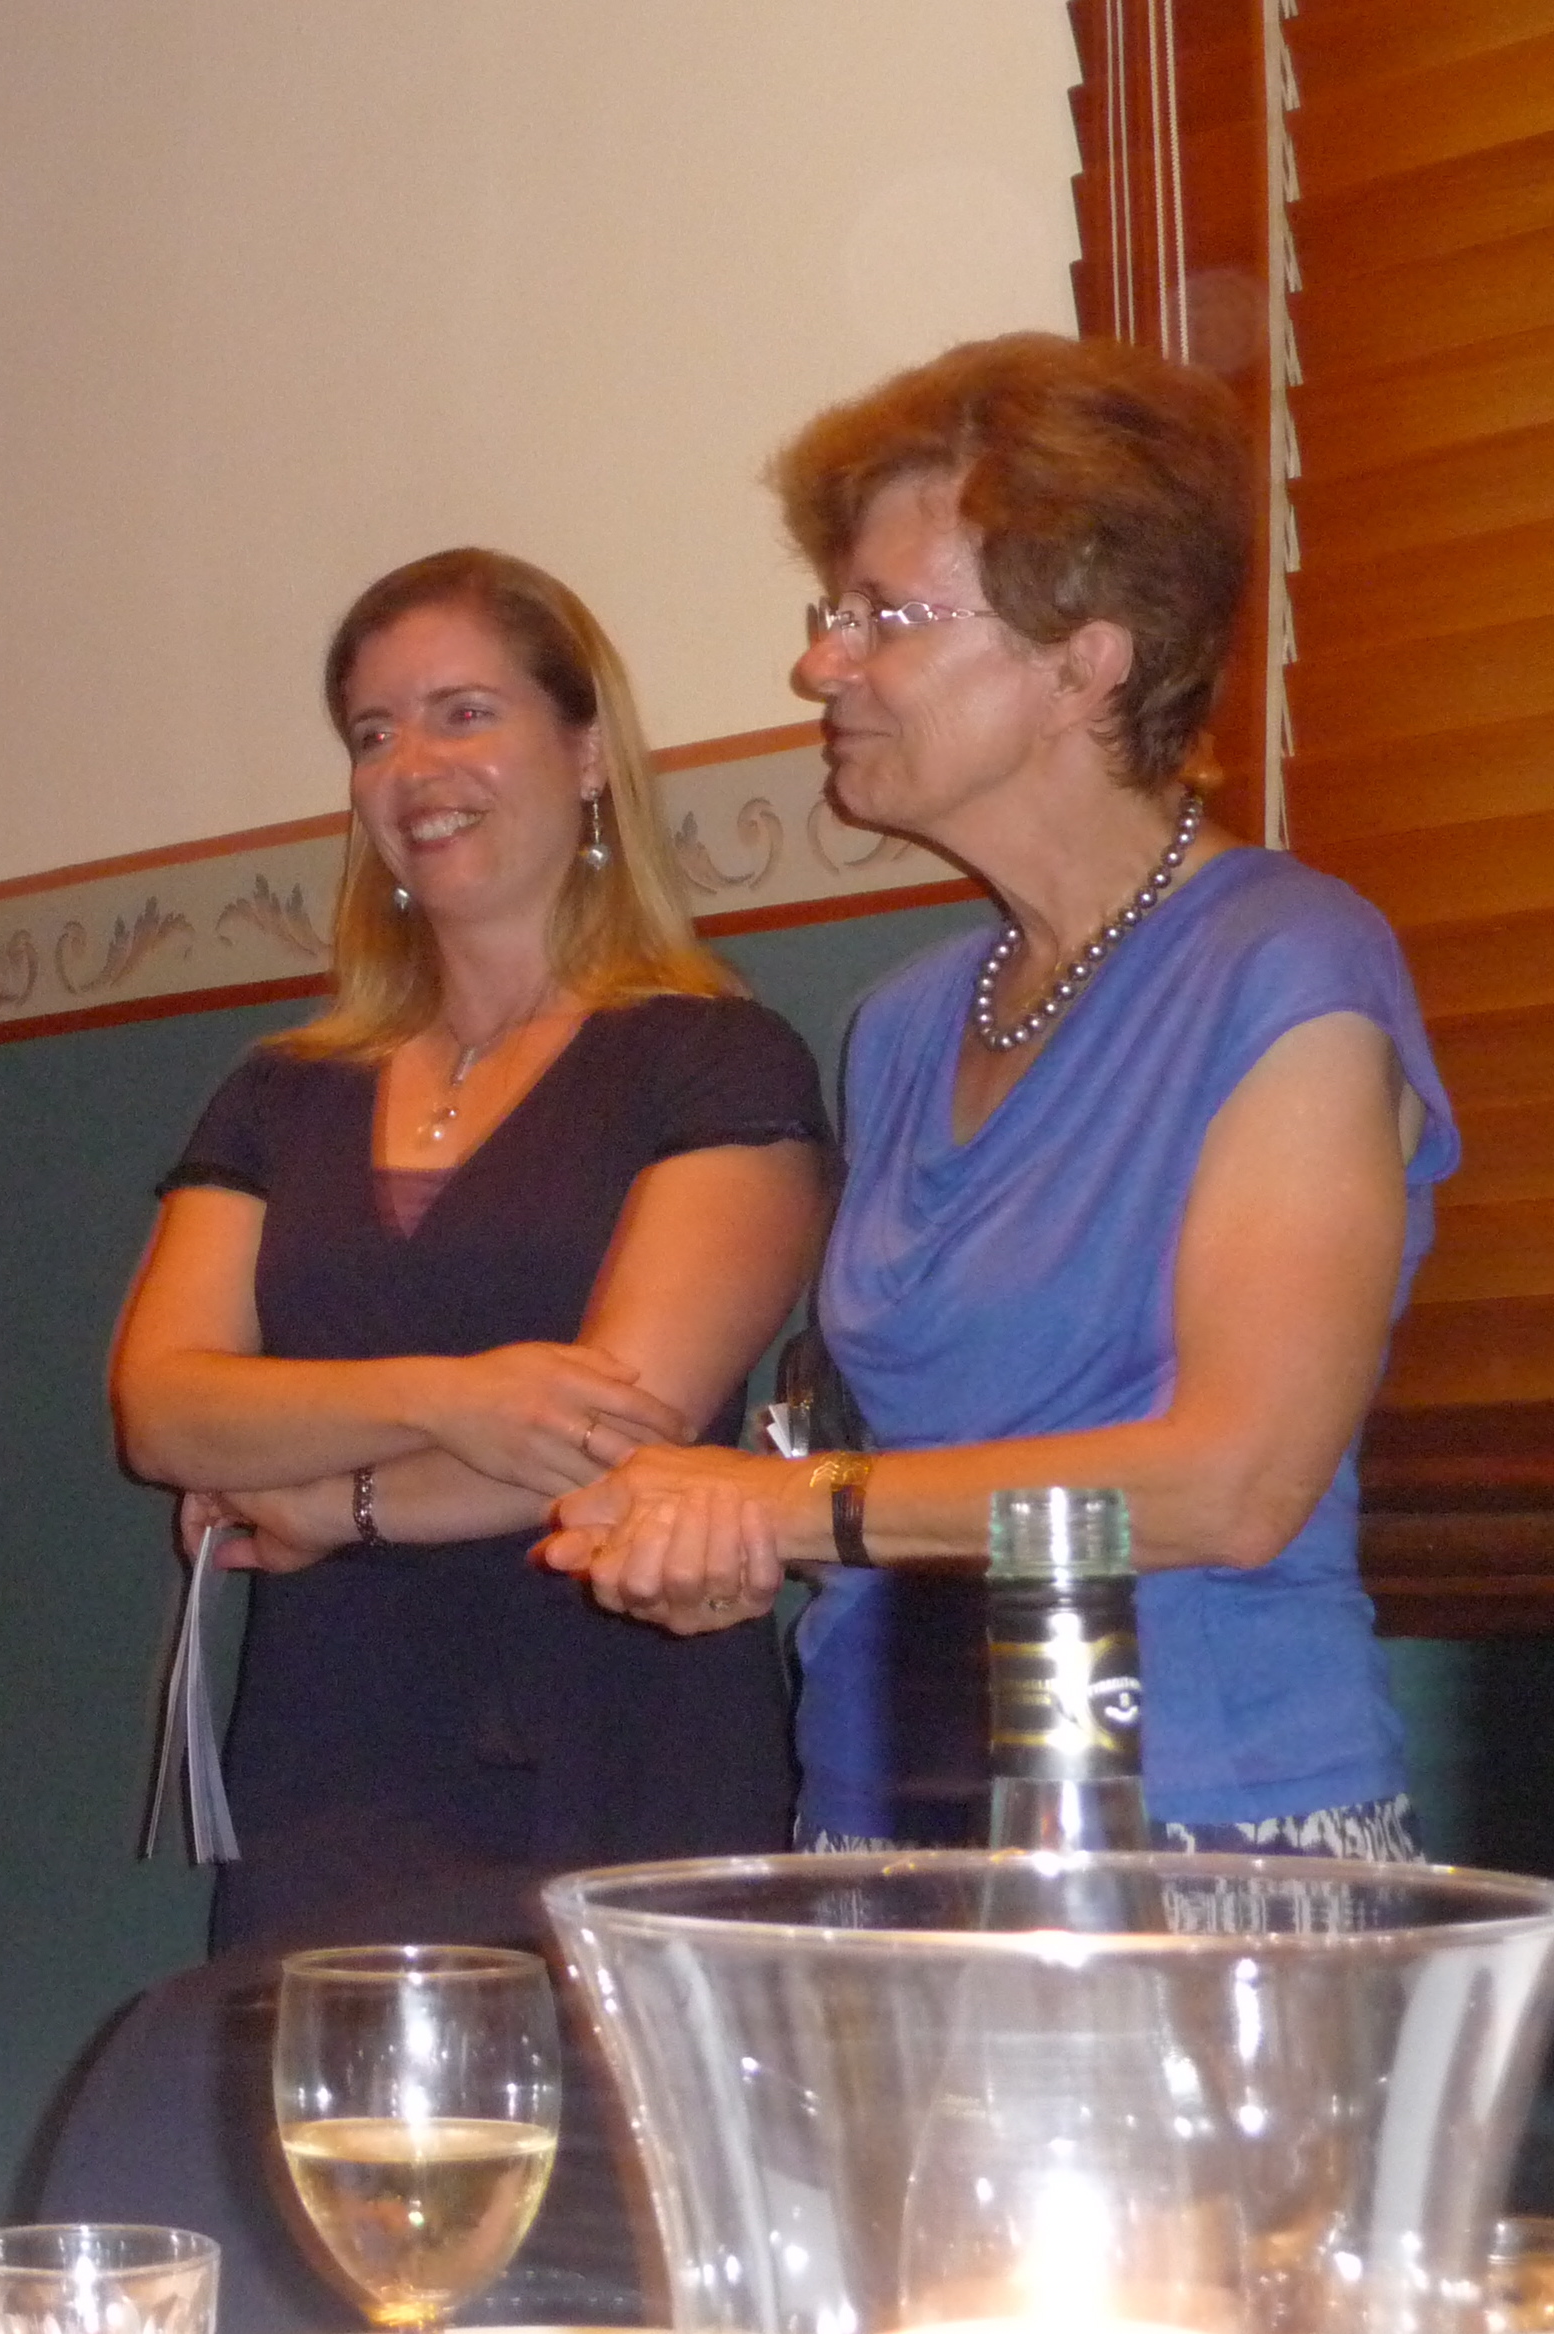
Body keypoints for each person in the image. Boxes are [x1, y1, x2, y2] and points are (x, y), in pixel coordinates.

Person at [541, 332, 1454, 1859]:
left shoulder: (1288, 965)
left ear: (1083, 662)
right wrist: (730, 1544)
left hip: (1199, 1834)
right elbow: (902, 1479)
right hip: (875, 1818)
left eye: (882, 616)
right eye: (832, 615)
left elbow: (1234, 1483)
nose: (821, 664)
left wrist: (795, 1507)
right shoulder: (903, 1024)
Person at [109, 547, 830, 1958]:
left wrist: (333, 1504)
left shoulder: (714, 1059)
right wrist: (456, 1395)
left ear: (586, 750)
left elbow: (614, 1433)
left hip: (621, 1738)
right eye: (373, 733)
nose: (411, 768)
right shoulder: (280, 1090)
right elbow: (163, 1407)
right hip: (328, 1753)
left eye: (463, 713)